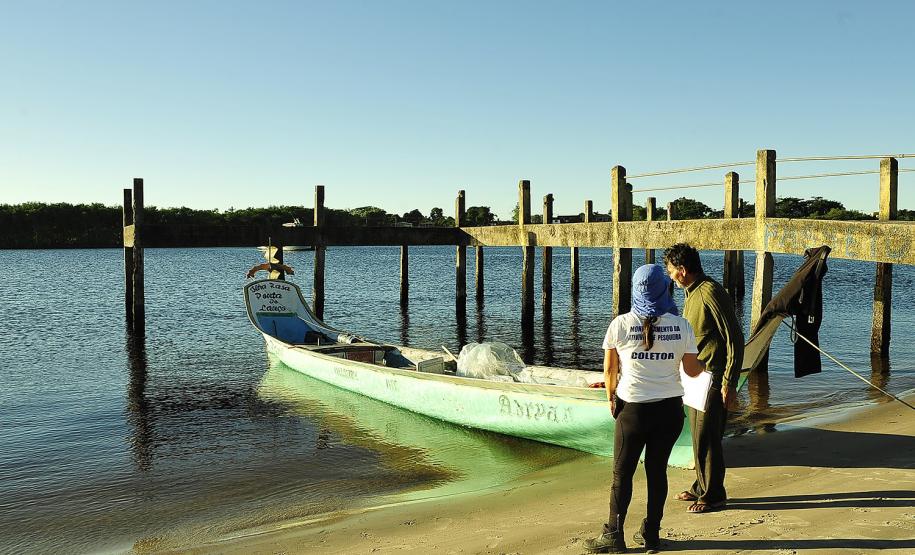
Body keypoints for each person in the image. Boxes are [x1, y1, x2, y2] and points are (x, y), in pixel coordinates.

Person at [585, 264, 705, 554]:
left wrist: (612, 399)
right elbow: (691, 372)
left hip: (633, 412)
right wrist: (706, 362)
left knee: (621, 474)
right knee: (656, 471)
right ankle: (651, 533)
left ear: (636, 291)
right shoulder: (682, 325)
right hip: (670, 412)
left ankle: (614, 535)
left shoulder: (621, 324)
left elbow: (611, 370)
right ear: (664, 290)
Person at [663, 243, 744, 514]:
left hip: (713, 378)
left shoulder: (709, 291)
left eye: (671, 270)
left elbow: (734, 337)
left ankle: (713, 496)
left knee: (708, 438)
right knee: (698, 437)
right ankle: (701, 486)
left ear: (683, 270)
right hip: (696, 379)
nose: (670, 275)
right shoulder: (692, 293)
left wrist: (729, 382)